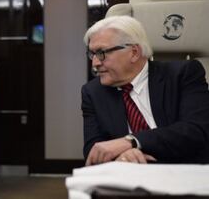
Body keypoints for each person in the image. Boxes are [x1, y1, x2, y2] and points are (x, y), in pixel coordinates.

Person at [81, 15, 209, 165]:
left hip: (186, 171)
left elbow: (195, 130)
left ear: (134, 52)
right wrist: (121, 156)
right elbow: (94, 148)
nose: (95, 63)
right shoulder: (93, 92)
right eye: (92, 54)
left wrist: (132, 141)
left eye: (101, 53)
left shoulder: (182, 74)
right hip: (130, 177)